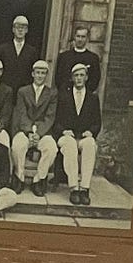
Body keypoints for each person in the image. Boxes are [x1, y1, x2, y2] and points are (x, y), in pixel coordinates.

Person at [54, 59, 101, 205]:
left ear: (86, 77)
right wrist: (64, 131)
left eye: (82, 75)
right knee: (69, 145)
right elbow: (56, 120)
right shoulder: (63, 96)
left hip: (83, 136)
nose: (79, 78)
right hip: (67, 136)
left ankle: (85, 188)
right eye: (76, 75)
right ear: (72, 78)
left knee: (90, 145)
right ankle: (74, 188)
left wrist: (91, 132)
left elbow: (97, 122)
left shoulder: (93, 98)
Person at [9, 56, 58, 193]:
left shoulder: (52, 93)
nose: (40, 76)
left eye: (43, 73)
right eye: (37, 72)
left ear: (46, 75)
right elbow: (21, 114)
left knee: (51, 148)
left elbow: (50, 117)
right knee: (18, 145)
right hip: (25, 130)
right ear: (32, 74)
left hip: (43, 132)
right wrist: (30, 131)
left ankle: (39, 179)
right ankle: (19, 176)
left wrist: (38, 133)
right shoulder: (23, 91)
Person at [59, 21, 103, 94]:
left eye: (83, 37)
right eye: (78, 36)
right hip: (67, 95)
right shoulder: (64, 57)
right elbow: (59, 78)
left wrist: (85, 92)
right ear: (74, 37)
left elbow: (95, 79)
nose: (80, 39)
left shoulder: (93, 58)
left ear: (87, 39)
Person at [0, 12, 38, 89]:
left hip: (23, 90)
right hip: (6, 89)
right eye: (18, 27)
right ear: (13, 29)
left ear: (26, 30)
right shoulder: (3, 49)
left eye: (23, 28)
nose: (20, 30)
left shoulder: (32, 51)